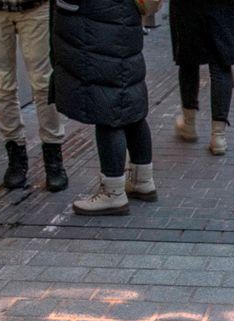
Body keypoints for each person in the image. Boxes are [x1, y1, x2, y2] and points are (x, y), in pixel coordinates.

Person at [51, 0, 156, 216]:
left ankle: (113, 193)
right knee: (128, 98)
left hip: (94, 20)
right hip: (126, 14)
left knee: (106, 107)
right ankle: (142, 180)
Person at [0, 0, 67, 192]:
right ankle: (15, 155)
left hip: (35, 5)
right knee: (1, 83)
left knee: (44, 82)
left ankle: (53, 155)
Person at [171, 0, 234, 155]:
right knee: (221, 64)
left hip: (187, 6)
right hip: (223, 5)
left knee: (188, 60)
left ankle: (189, 124)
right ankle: (218, 136)